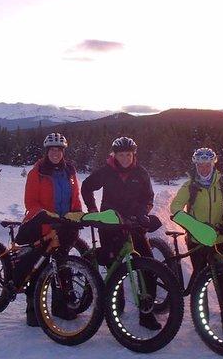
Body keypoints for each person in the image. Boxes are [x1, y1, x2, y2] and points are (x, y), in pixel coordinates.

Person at [81, 136, 161, 330]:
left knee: (148, 266)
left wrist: (143, 213)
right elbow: (86, 187)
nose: (125, 158)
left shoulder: (141, 173)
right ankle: (116, 304)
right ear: (114, 155)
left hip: (134, 224)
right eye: (121, 155)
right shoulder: (106, 171)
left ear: (134, 154)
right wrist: (92, 210)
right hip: (111, 224)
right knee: (113, 265)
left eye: (128, 154)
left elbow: (148, 197)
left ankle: (146, 312)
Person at [170, 147, 223, 333]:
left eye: (207, 164)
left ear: (213, 164)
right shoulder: (189, 186)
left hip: (218, 238)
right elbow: (175, 207)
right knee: (200, 278)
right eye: (200, 165)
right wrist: (193, 226)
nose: (204, 168)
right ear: (195, 165)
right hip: (196, 240)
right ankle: (202, 317)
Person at [17, 132, 82, 327]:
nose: (56, 153)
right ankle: (33, 309)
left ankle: (60, 307)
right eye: (52, 150)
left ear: (63, 152)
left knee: (61, 266)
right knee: (37, 267)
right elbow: (31, 202)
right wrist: (45, 215)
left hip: (63, 225)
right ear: (47, 151)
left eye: (59, 150)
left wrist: (77, 213)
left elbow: (75, 196)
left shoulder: (70, 171)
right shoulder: (37, 172)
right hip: (42, 224)